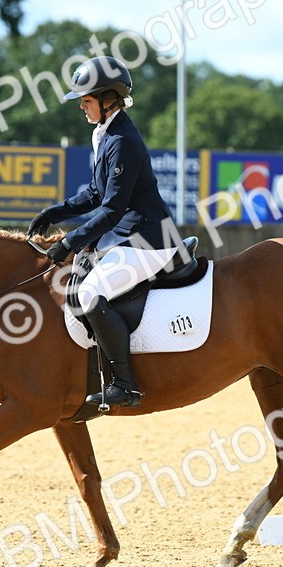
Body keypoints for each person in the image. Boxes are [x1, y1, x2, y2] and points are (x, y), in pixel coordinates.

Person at [27, 56, 177, 409]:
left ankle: (126, 385)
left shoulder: (122, 139)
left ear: (109, 98)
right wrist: (55, 212)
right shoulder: (106, 134)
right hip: (129, 234)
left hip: (150, 239)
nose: (81, 105)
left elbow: (111, 209)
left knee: (92, 291)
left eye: (87, 99)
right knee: (83, 275)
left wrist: (67, 242)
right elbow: (96, 193)